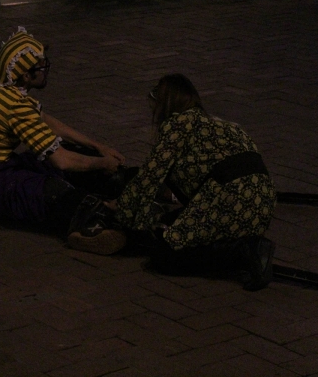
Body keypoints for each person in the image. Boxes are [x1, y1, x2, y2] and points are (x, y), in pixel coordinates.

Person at [0, 27, 128, 255]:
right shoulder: (14, 106)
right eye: (41, 67)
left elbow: (47, 122)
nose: (46, 70)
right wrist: (101, 163)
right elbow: (61, 161)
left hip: (0, 167)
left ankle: (109, 197)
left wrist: (97, 147)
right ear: (26, 75)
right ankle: (94, 222)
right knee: (53, 188)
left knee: (76, 156)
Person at [108, 74, 277, 291]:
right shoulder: (224, 125)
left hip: (227, 197)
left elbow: (149, 177)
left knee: (165, 255)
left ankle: (241, 252)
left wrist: (121, 209)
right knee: (174, 224)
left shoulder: (176, 125)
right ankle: (245, 244)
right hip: (263, 201)